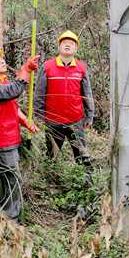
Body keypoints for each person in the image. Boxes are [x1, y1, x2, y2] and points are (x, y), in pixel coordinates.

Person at [0, 47, 39, 220]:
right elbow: (13, 91)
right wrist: (26, 70)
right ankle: (9, 220)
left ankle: (12, 216)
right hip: (2, 142)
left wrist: (26, 122)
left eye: (2, 58)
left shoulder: (2, 81)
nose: (3, 61)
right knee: (12, 181)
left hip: (10, 138)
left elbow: (12, 106)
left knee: (13, 180)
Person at [34, 30, 94, 168]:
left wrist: (89, 116)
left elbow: (87, 94)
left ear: (76, 48)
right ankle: (51, 183)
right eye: (64, 43)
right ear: (59, 47)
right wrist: (38, 117)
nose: (67, 45)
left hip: (75, 121)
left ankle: (85, 182)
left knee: (82, 156)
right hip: (53, 122)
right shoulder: (47, 67)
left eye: (71, 43)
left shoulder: (81, 68)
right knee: (51, 157)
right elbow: (39, 95)